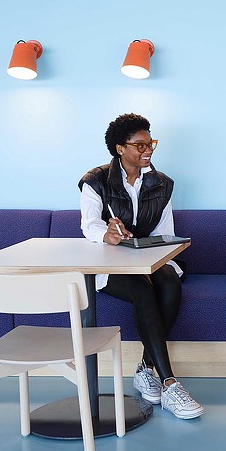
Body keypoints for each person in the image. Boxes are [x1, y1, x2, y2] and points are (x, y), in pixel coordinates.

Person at [78, 113, 203, 420]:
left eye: (150, 143)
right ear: (120, 148)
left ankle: (146, 369)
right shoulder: (95, 181)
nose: (148, 150)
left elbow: (164, 233)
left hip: (149, 257)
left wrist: (147, 248)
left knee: (169, 281)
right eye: (140, 145)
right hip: (110, 264)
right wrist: (107, 233)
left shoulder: (162, 184)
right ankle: (170, 384)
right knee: (142, 290)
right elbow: (89, 224)